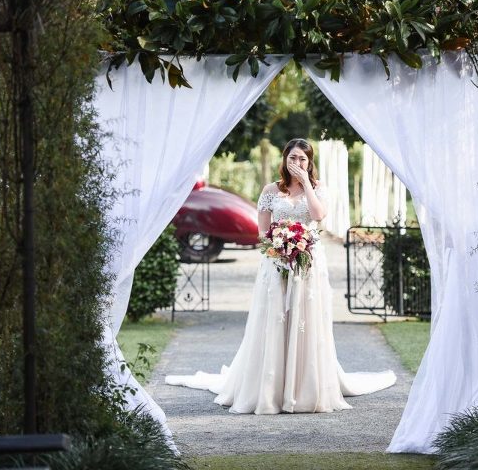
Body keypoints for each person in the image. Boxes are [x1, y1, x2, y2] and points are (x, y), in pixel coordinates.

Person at [166, 138, 396, 414]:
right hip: (276, 262)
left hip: (308, 263)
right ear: (284, 160)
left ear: (310, 162)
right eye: (292, 158)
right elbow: (262, 232)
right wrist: (280, 248)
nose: (297, 163)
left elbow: (319, 215)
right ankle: (270, 388)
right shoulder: (271, 190)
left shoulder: (319, 189)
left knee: (305, 319)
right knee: (275, 317)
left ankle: (304, 387)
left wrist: (307, 185)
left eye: (303, 159)